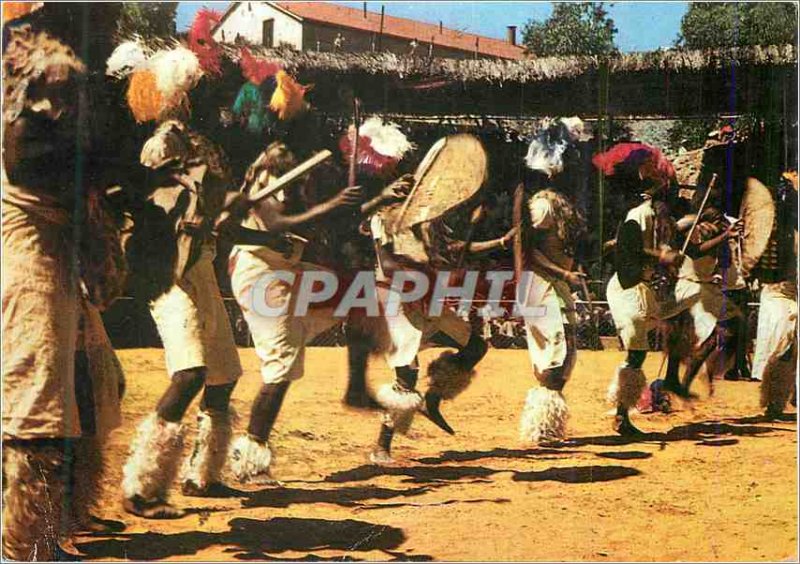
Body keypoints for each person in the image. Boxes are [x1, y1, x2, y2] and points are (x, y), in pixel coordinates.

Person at [2, 19, 125, 559]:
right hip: (28, 279)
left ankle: (58, 530)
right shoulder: (22, 135)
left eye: (66, 95)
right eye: (51, 94)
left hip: (58, 276)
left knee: (94, 392)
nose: (61, 105)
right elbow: (43, 164)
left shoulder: (58, 137)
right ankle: (26, 544)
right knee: (37, 419)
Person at [227, 142, 410, 483]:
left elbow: (335, 220)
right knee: (282, 364)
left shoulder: (299, 180)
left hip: (290, 269)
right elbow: (277, 221)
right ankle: (252, 458)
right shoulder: (268, 177)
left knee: (360, 295)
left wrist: (379, 199)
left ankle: (356, 388)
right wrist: (333, 203)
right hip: (260, 273)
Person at [121, 100, 244, 518]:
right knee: (190, 372)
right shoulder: (159, 145)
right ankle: (142, 488)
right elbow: (147, 206)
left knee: (224, 375)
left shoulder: (204, 149)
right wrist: (182, 225)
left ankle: (202, 476)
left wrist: (216, 220)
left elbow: (210, 212)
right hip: (170, 273)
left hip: (202, 267)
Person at [597, 144, 683, 436]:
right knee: (636, 352)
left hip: (644, 288)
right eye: (666, 194)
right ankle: (621, 413)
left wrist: (672, 261)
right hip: (626, 286)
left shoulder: (665, 222)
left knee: (643, 351)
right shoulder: (638, 215)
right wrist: (661, 257)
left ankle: (626, 407)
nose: (670, 199)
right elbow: (628, 251)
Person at [516, 117, 588, 444]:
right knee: (556, 357)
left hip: (554, 288)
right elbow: (528, 252)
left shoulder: (562, 206)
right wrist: (563, 273)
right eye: (572, 161)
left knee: (564, 355)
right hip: (542, 288)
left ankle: (545, 427)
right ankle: (541, 429)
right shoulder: (542, 206)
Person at [752, 172, 798, 419]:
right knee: (784, 344)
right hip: (778, 293)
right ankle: (773, 400)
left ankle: (783, 397)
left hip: (789, 290)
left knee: (789, 347)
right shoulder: (771, 232)